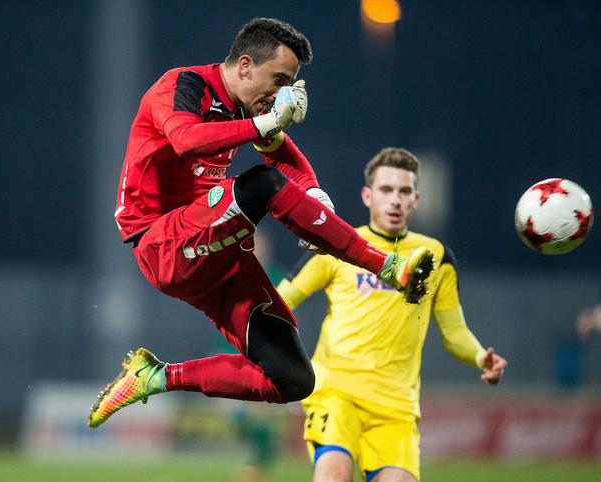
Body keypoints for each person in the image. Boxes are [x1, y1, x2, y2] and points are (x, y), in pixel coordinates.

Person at [87, 19, 435, 429]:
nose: (282, 94)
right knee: (261, 185)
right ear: (246, 65)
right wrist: (265, 125)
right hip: (163, 241)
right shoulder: (184, 85)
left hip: (215, 252)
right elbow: (186, 139)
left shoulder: (249, 109)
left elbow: (284, 155)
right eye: (279, 79)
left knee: (292, 378)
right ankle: (388, 266)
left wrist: (314, 193)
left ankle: (154, 376)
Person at [276, 147, 508, 482]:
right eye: (386, 190)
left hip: (395, 407)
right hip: (336, 394)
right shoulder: (339, 244)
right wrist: (267, 347)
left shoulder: (436, 257)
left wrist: (478, 357)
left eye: (403, 191)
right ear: (367, 196)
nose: (395, 200)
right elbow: (283, 301)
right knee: (333, 475)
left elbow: (454, 330)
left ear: (416, 199)